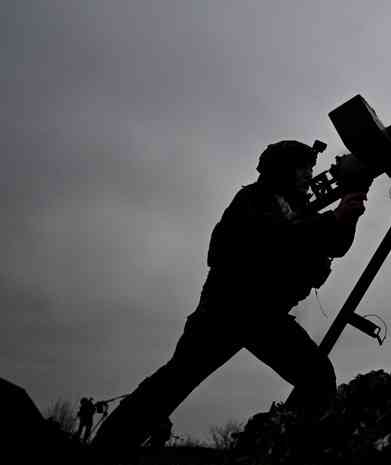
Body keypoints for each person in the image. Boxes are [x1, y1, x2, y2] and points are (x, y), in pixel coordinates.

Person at [92, 140, 368, 453]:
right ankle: (107, 448)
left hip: (262, 313)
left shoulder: (297, 208)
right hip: (229, 310)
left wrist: (350, 208)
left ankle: (286, 446)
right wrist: (332, 219)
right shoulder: (255, 199)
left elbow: (334, 244)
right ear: (282, 170)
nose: (308, 174)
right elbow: (274, 239)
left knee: (316, 377)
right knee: (174, 382)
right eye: (302, 168)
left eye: (310, 168)